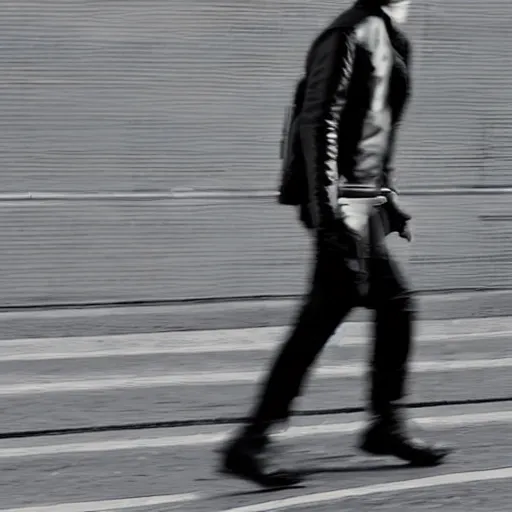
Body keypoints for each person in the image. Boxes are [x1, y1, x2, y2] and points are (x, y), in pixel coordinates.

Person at [220, 0, 451, 488]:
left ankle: (366, 426)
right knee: (373, 308)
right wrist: (330, 213)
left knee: (355, 310)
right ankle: (260, 439)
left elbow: (374, 132)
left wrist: (384, 197)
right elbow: (319, 120)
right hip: (341, 205)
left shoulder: (387, 36)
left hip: (358, 202)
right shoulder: (350, 33)